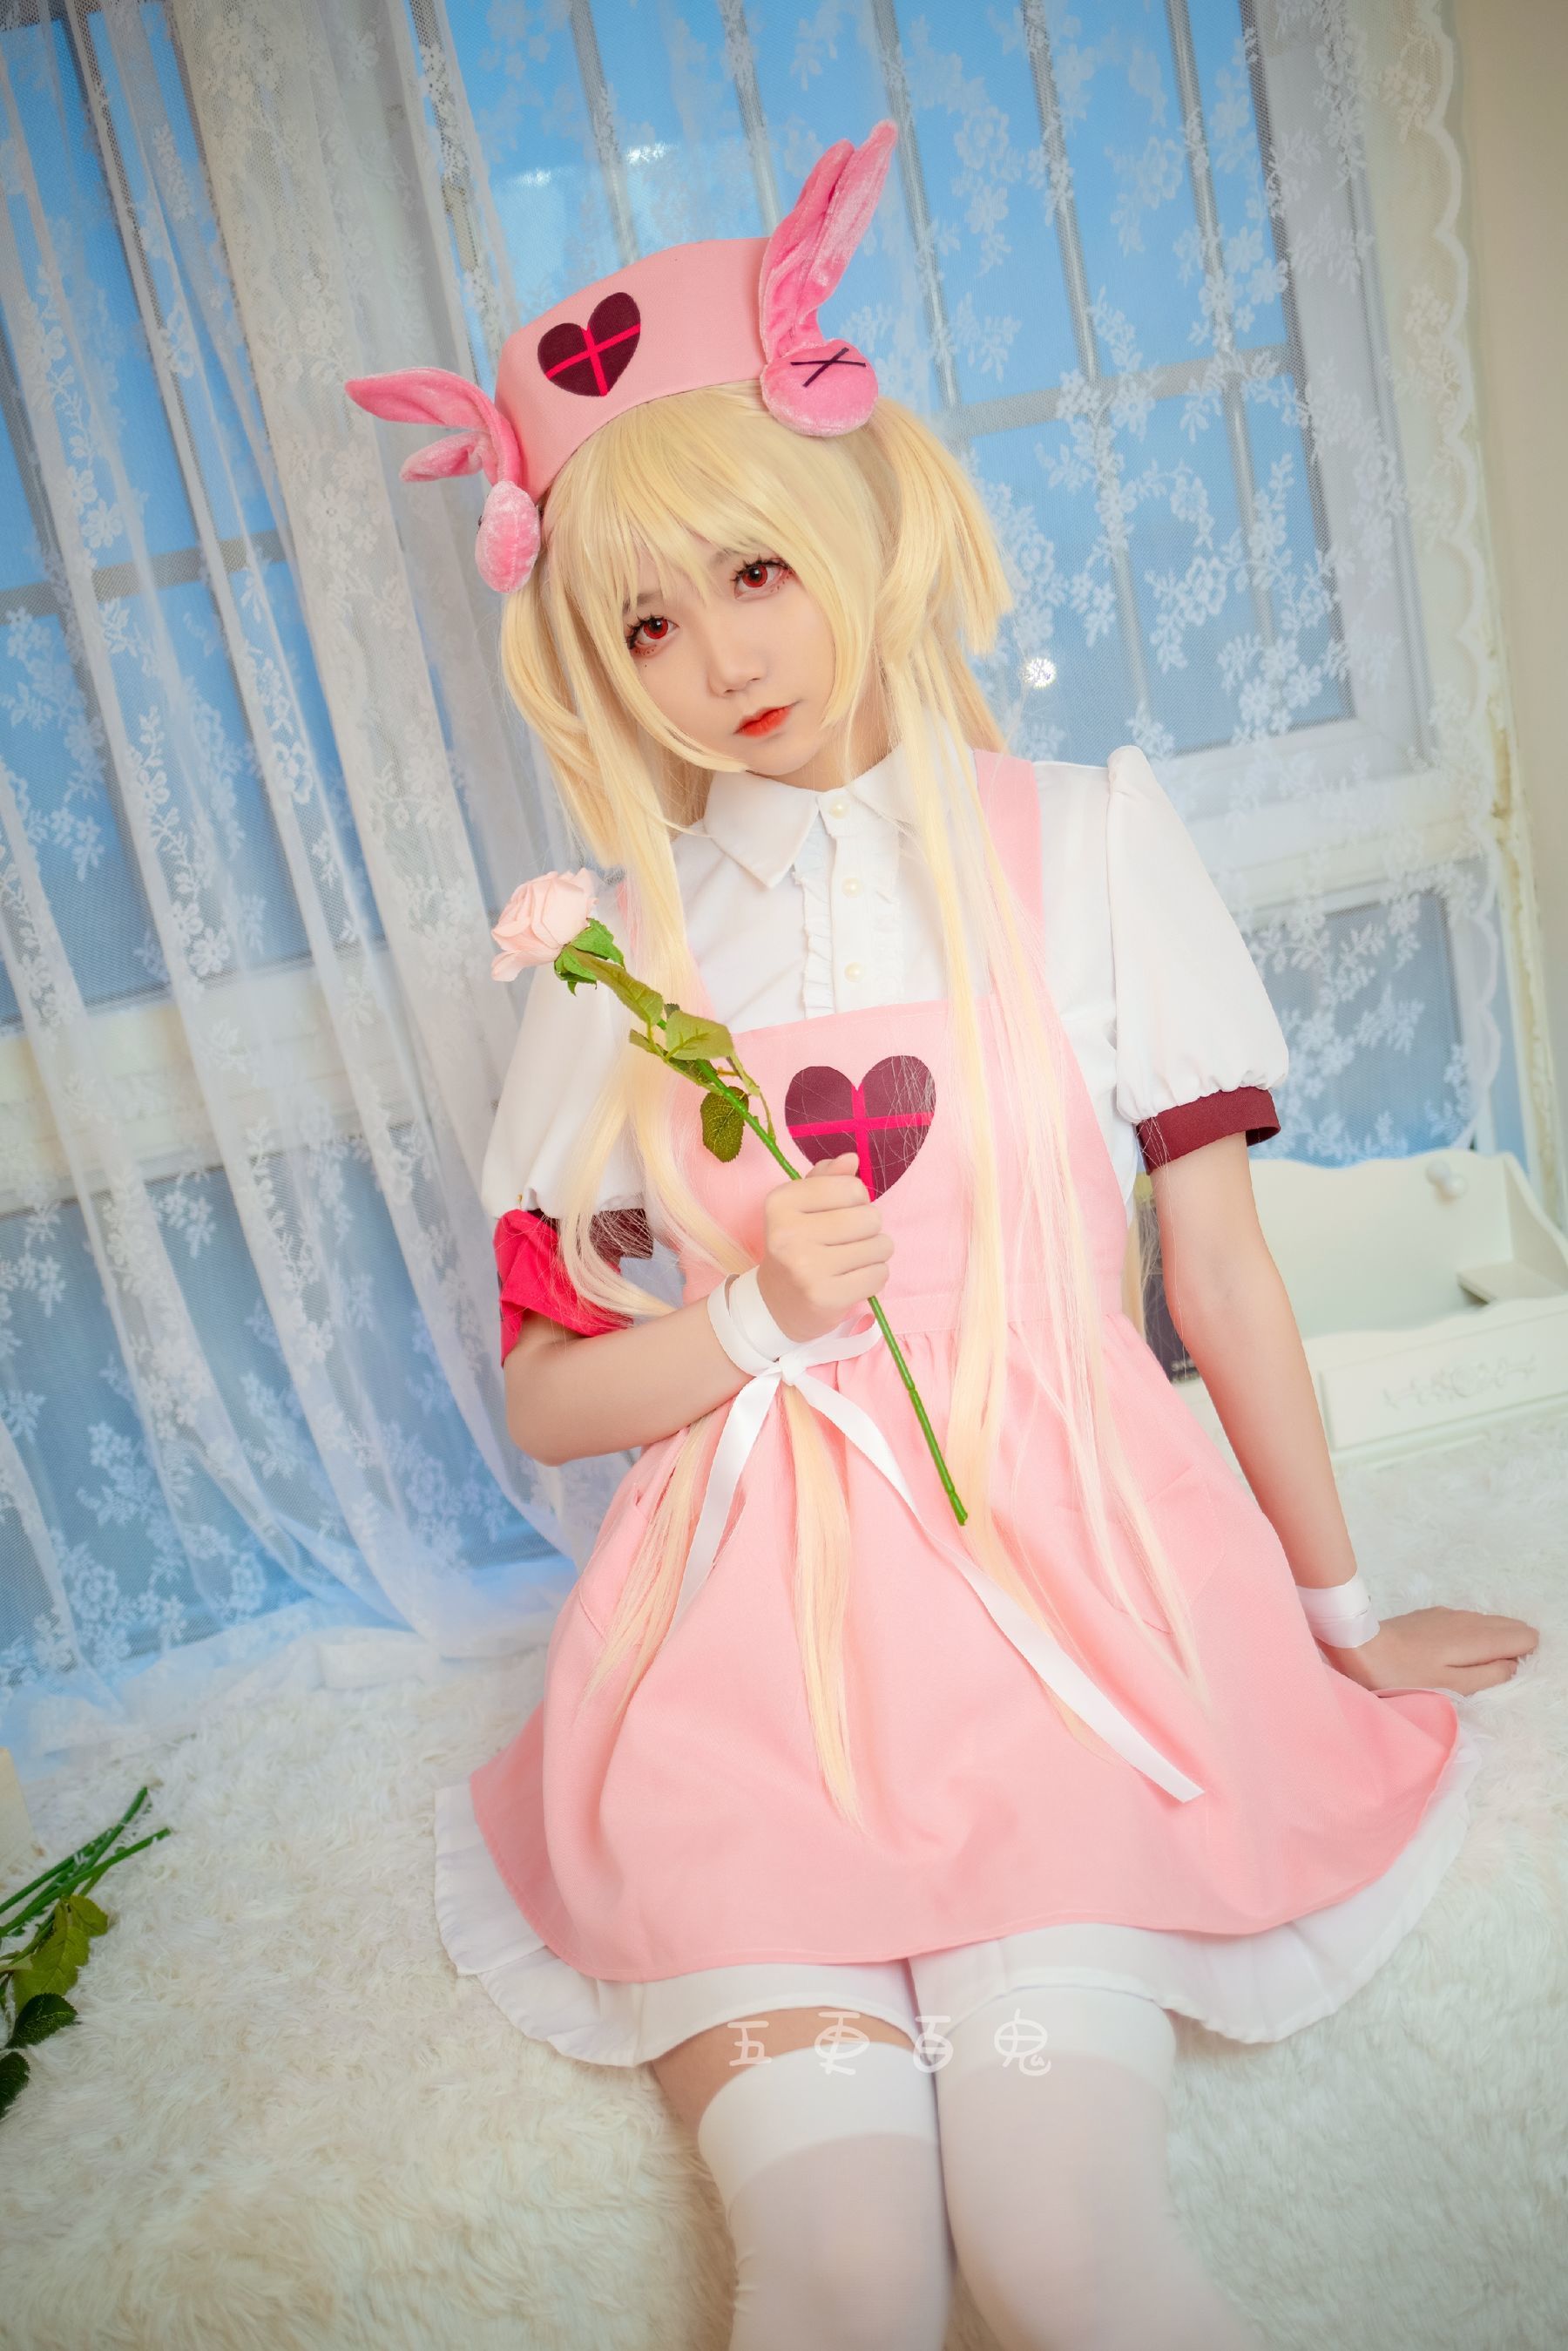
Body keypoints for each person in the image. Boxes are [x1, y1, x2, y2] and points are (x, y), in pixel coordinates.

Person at [348, 122, 1537, 2351]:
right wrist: (750, 1322)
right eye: (647, 618)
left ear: (856, 523)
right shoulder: (617, 950)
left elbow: (1217, 1276)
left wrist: (1338, 1619)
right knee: (841, 2269)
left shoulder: (1081, 841)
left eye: (754, 571)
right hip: (737, 1671)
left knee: (1060, 2245)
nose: (720, 656)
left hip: (1064, 1621)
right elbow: (547, 1395)